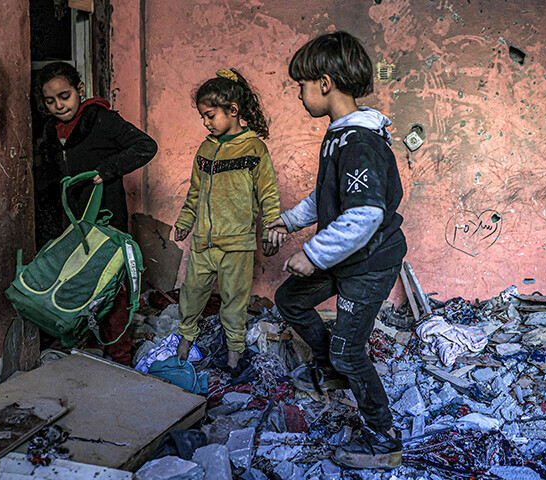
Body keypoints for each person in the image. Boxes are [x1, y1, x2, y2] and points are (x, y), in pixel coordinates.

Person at [266, 32, 407, 469]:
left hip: (369, 262)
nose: (300, 95)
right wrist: (287, 221)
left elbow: (362, 217)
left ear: (325, 83)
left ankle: (383, 439)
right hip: (347, 256)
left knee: (351, 349)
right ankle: (332, 369)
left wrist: (311, 254)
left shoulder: (359, 142)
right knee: (290, 299)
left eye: (302, 86)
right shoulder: (339, 135)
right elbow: (327, 197)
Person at [34, 62, 158, 365]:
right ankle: (87, 345)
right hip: (72, 224)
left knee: (112, 284)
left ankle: (120, 355)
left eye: (64, 96)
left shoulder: (100, 119)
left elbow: (146, 146)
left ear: (80, 90)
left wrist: (106, 171)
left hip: (106, 219)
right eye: (50, 101)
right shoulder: (52, 130)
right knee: (79, 282)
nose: (58, 105)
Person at [173, 68, 282, 373]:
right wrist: (185, 220)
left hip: (237, 244)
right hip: (203, 242)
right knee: (191, 294)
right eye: (202, 117)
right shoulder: (206, 148)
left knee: (234, 301)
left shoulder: (254, 148)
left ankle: (235, 352)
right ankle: (185, 340)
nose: (206, 123)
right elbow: (195, 191)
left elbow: (268, 193)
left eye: (210, 115)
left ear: (233, 111)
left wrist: (273, 226)